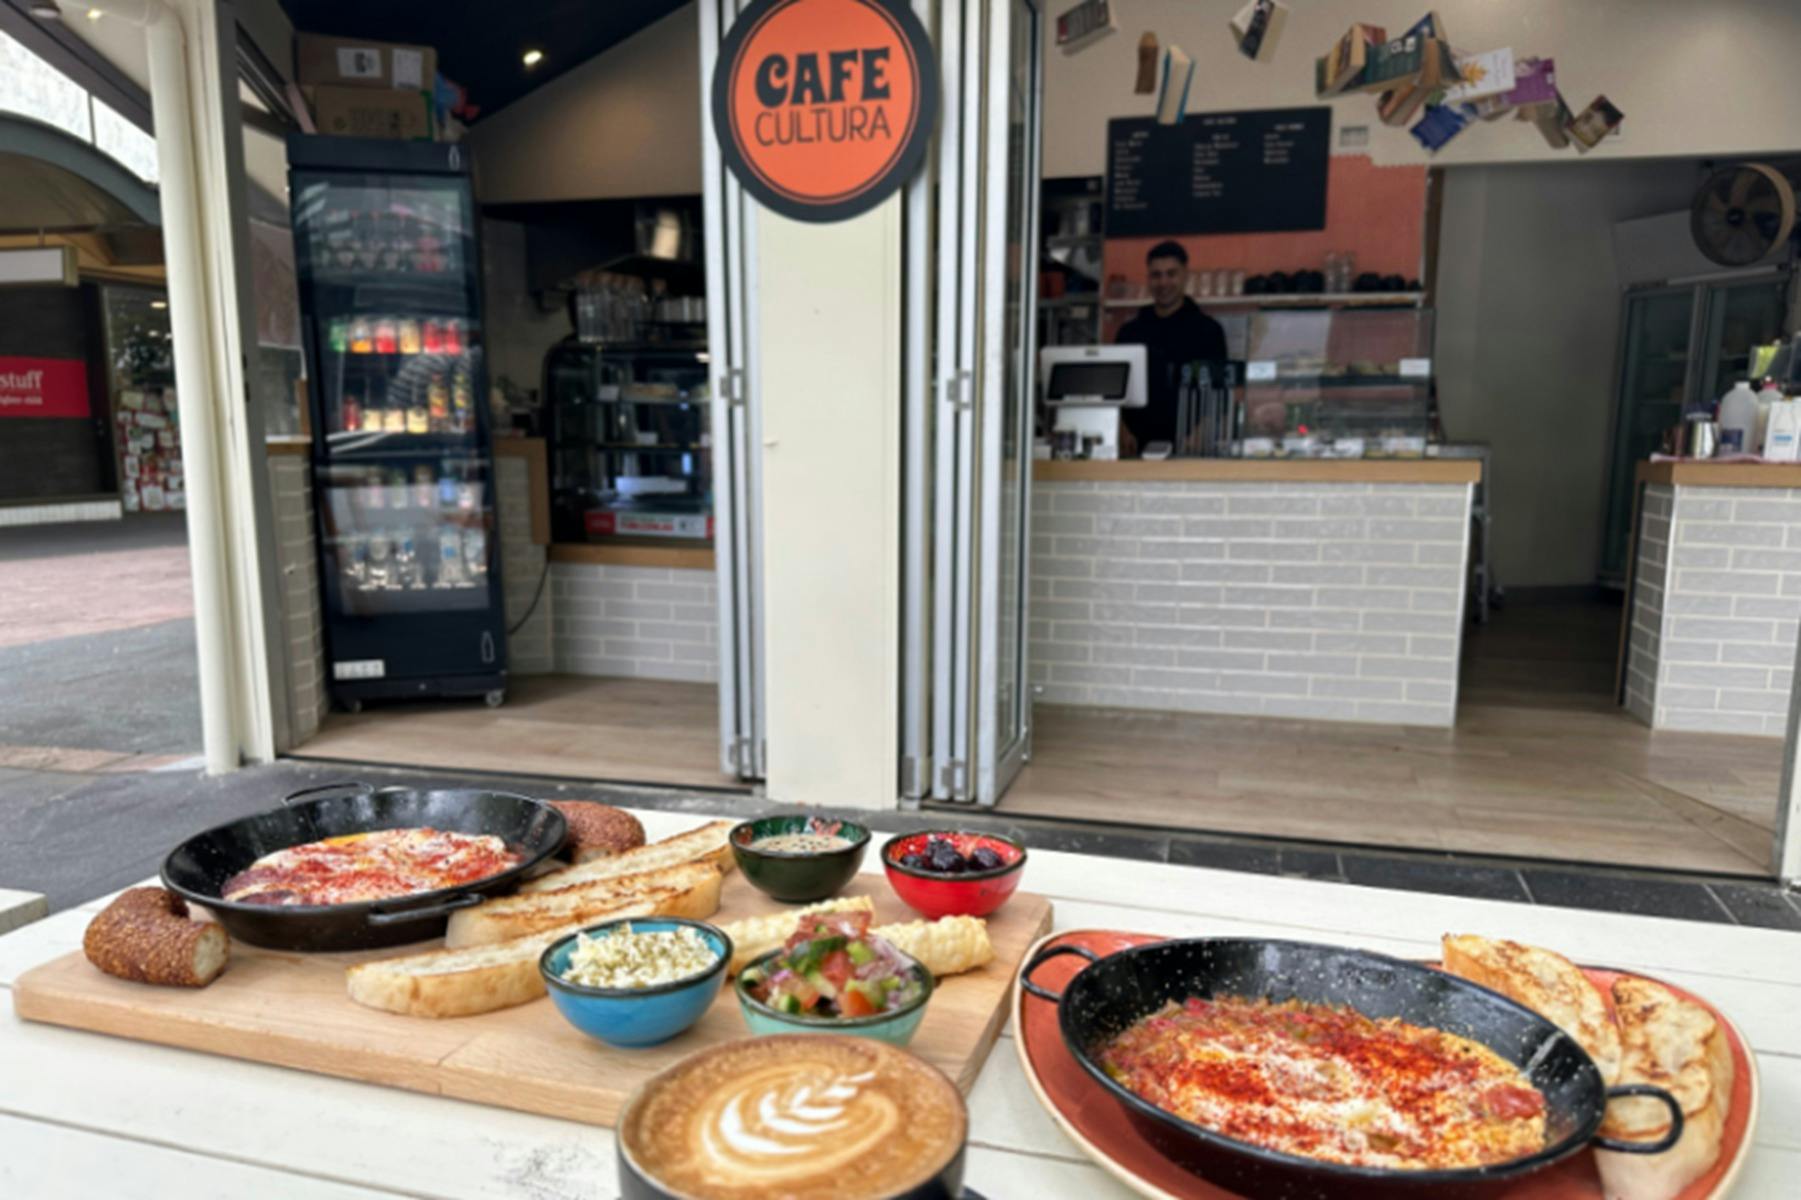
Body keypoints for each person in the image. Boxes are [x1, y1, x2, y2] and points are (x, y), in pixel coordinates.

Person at [1113, 241, 1228, 456]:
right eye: (1156, 275)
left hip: (1189, 448)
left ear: (1185, 275)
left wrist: (1201, 433)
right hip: (1134, 450)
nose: (1163, 282)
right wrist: (1119, 428)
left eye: (1171, 274)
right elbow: (1112, 391)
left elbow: (1217, 394)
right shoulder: (1129, 332)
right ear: (1148, 278)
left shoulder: (1208, 331)